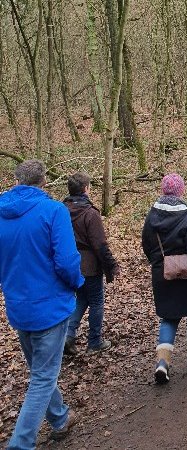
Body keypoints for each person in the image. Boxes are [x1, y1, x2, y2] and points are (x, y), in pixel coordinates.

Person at [0, 159, 83, 448]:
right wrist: (76, 284)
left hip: (18, 307)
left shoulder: (1, 213)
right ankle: (20, 443)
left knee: (41, 372)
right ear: (44, 181)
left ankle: (59, 418)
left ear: (16, 180)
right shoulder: (53, 210)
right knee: (42, 378)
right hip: (50, 307)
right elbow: (68, 261)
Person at [142, 173, 187, 384]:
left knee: (169, 316)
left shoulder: (151, 215)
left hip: (162, 272)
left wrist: (158, 263)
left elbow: (146, 244)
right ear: (181, 191)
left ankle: (162, 362)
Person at [63, 172, 118, 355]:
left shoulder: (62, 210)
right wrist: (111, 265)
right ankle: (94, 341)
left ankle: (68, 336)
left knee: (82, 298)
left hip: (69, 263)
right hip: (89, 265)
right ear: (86, 189)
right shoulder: (90, 213)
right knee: (96, 301)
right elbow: (100, 244)